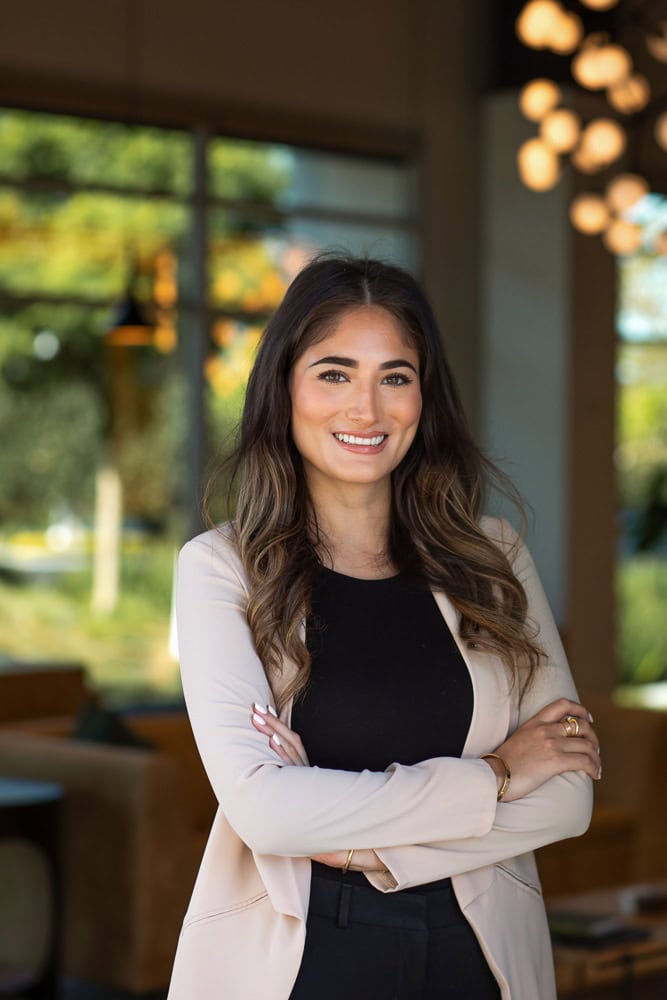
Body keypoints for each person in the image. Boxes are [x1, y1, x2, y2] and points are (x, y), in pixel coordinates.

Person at [168, 254, 600, 1000]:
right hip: (301, 958)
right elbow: (265, 813)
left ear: (423, 399)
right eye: (334, 373)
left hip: (481, 955)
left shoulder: (493, 557)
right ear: (285, 388)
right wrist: (497, 775)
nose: (365, 411)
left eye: (393, 377)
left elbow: (566, 798)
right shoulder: (221, 570)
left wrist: (349, 840)